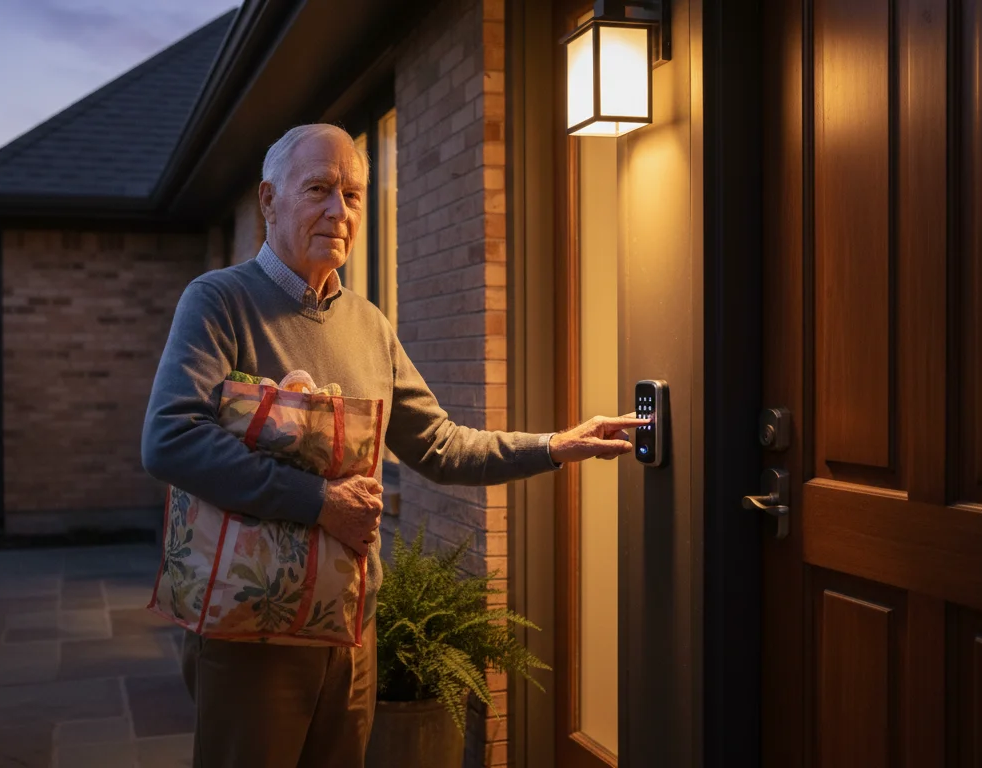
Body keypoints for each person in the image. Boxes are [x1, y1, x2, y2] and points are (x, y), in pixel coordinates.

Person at [140, 123, 647, 768]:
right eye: (319, 189)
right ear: (269, 201)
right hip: (253, 632)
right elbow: (170, 438)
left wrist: (552, 444)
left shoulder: (370, 325)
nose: (340, 210)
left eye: (353, 195)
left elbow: (438, 443)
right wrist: (320, 501)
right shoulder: (219, 302)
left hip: (351, 628)